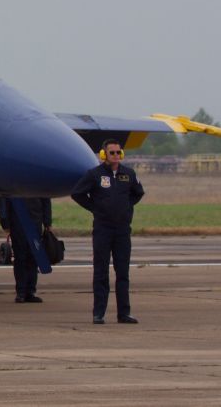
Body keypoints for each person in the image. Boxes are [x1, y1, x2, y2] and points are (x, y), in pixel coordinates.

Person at [71, 139, 144, 325]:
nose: (116, 156)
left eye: (118, 152)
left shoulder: (128, 174)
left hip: (122, 230)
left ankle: (124, 313)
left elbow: (138, 193)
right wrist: (95, 208)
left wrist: (126, 207)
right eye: (112, 153)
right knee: (101, 272)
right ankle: (98, 313)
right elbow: (77, 193)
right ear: (104, 154)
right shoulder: (94, 175)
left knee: (123, 273)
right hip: (103, 229)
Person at [0, 197, 52, 303]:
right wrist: (5, 222)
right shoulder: (11, 181)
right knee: (20, 257)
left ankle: (30, 291)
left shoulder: (39, 182)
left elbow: (45, 198)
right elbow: (4, 199)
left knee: (33, 257)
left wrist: (47, 221)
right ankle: (21, 292)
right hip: (17, 221)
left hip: (35, 221)